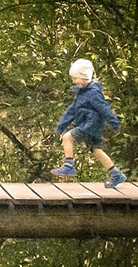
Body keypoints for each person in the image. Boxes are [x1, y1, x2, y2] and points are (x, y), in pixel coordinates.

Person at [50, 58, 127, 187]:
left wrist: (114, 122)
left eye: (76, 78)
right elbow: (71, 111)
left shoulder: (92, 93)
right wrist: (61, 125)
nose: (74, 82)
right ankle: (116, 174)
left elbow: (104, 107)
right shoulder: (82, 93)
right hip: (90, 126)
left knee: (67, 137)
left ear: (84, 77)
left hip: (90, 125)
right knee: (96, 150)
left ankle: (68, 165)